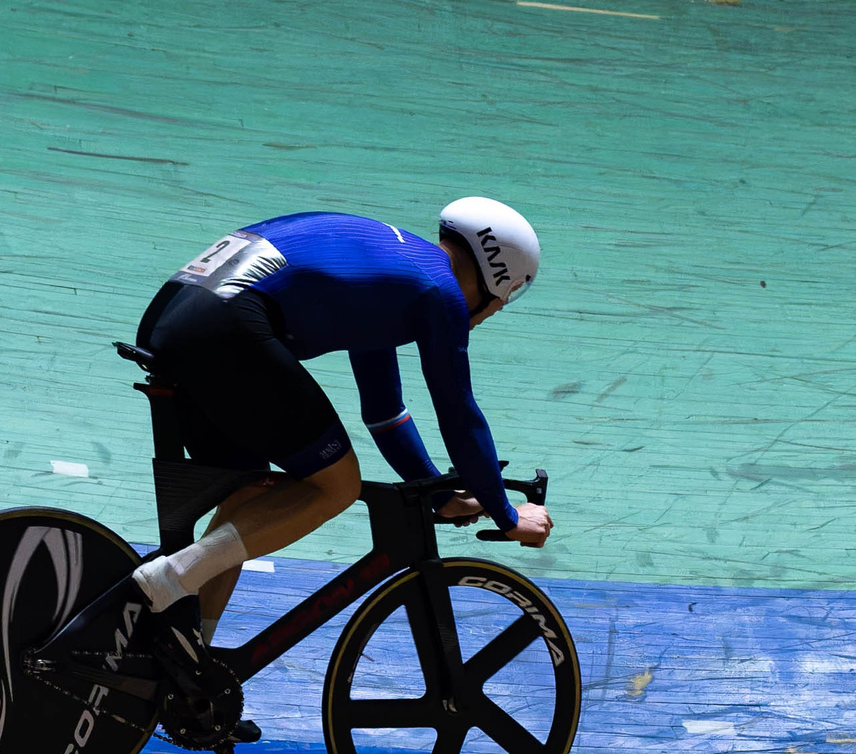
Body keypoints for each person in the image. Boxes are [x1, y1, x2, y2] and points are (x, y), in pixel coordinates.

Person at [124, 198, 555, 694]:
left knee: (251, 496)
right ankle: (169, 579)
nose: (500, 309)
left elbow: (386, 415)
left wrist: (439, 494)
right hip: (227, 325)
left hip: (178, 315)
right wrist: (506, 513)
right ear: (497, 275)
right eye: (510, 295)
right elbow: (459, 414)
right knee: (337, 485)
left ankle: (185, 664)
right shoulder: (441, 294)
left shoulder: (396, 276)